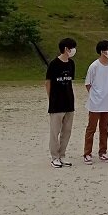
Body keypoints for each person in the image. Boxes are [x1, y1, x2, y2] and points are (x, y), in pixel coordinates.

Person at [45, 37, 77, 168]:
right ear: (66, 49)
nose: (74, 50)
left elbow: (70, 81)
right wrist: (51, 98)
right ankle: (54, 157)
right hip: (56, 103)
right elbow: (48, 82)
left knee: (67, 131)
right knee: (55, 132)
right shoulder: (54, 64)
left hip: (69, 102)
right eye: (72, 48)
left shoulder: (71, 63)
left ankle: (62, 155)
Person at [83, 39, 108, 165]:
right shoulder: (94, 66)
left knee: (104, 128)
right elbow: (88, 83)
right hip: (95, 103)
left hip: (107, 103)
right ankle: (87, 153)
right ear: (102, 51)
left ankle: (103, 151)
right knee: (91, 128)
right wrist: (95, 95)